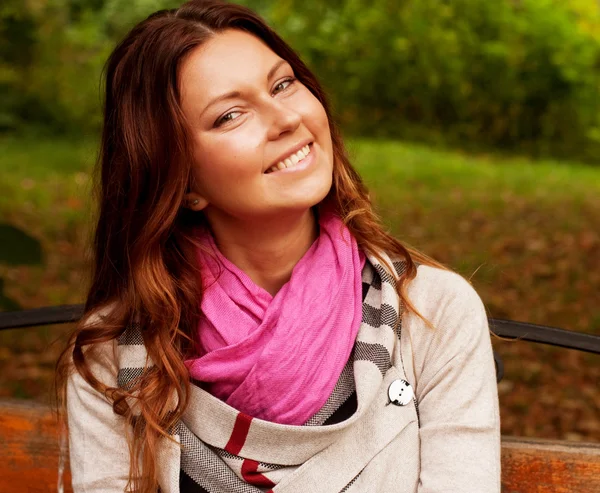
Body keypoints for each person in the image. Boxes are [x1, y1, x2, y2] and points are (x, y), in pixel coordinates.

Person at [55, 1, 501, 492]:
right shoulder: (114, 354)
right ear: (181, 183)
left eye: (283, 84)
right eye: (229, 115)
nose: (284, 117)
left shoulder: (432, 314)